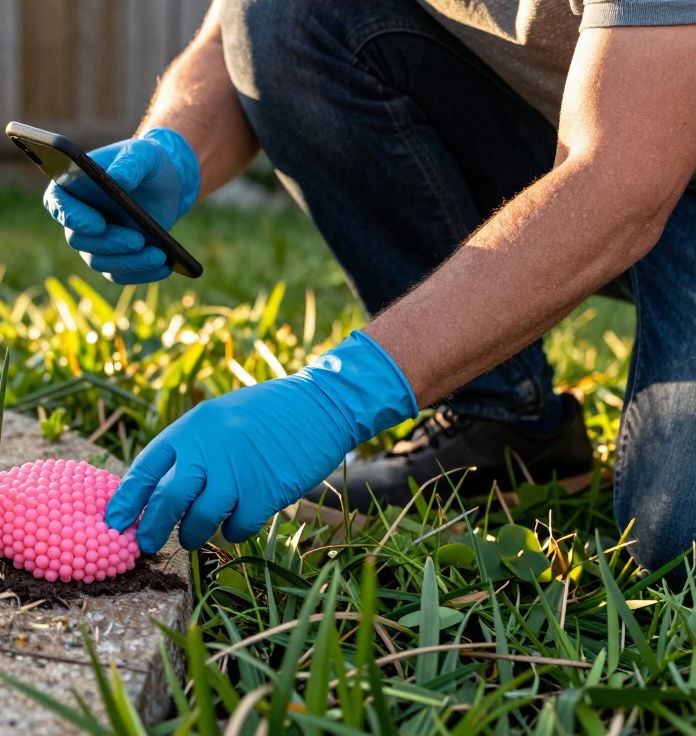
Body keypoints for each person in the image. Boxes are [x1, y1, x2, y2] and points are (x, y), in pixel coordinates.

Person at [42, 0, 696, 574]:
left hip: (629, 153)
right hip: (604, 118)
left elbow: (617, 183)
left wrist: (337, 395)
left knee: (674, 541)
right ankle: (501, 429)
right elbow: (233, 32)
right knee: (285, 18)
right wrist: (175, 147)